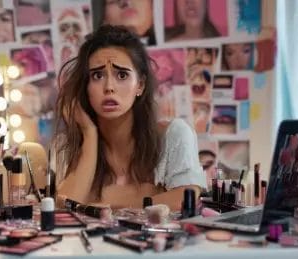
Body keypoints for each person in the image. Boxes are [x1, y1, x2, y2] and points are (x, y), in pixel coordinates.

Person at [54, 25, 206, 210]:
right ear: (85, 86)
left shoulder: (174, 135)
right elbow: (64, 208)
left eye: (122, 75)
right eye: (97, 75)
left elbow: (185, 198)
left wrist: (102, 202)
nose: (109, 87)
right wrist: (89, 134)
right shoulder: (69, 144)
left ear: (140, 85)